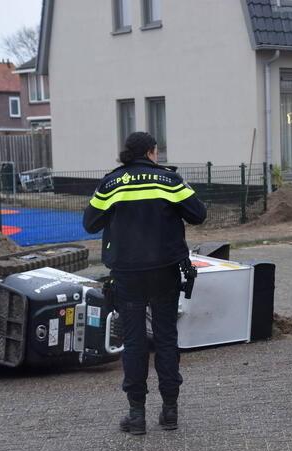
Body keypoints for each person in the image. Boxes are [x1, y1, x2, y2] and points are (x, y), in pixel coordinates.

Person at [83, 131, 207, 434]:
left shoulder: (111, 182)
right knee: (165, 339)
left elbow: (90, 223)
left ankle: (136, 415)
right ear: (152, 152)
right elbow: (199, 214)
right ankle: (170, 412)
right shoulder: (169, 180)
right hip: (165, 271)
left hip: (126, 274)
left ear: (128, 152)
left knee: (135, 342)